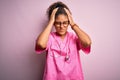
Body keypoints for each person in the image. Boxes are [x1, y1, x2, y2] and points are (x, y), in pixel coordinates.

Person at [35, 1, 92, 80]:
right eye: (58, 23)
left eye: (65, 23)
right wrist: (51, 22)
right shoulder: (49, 38)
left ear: (68, 21)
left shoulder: (74, 37)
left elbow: (87, 42)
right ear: (54, 23)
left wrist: (73, 24)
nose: (61, 26)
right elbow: (40, 44)